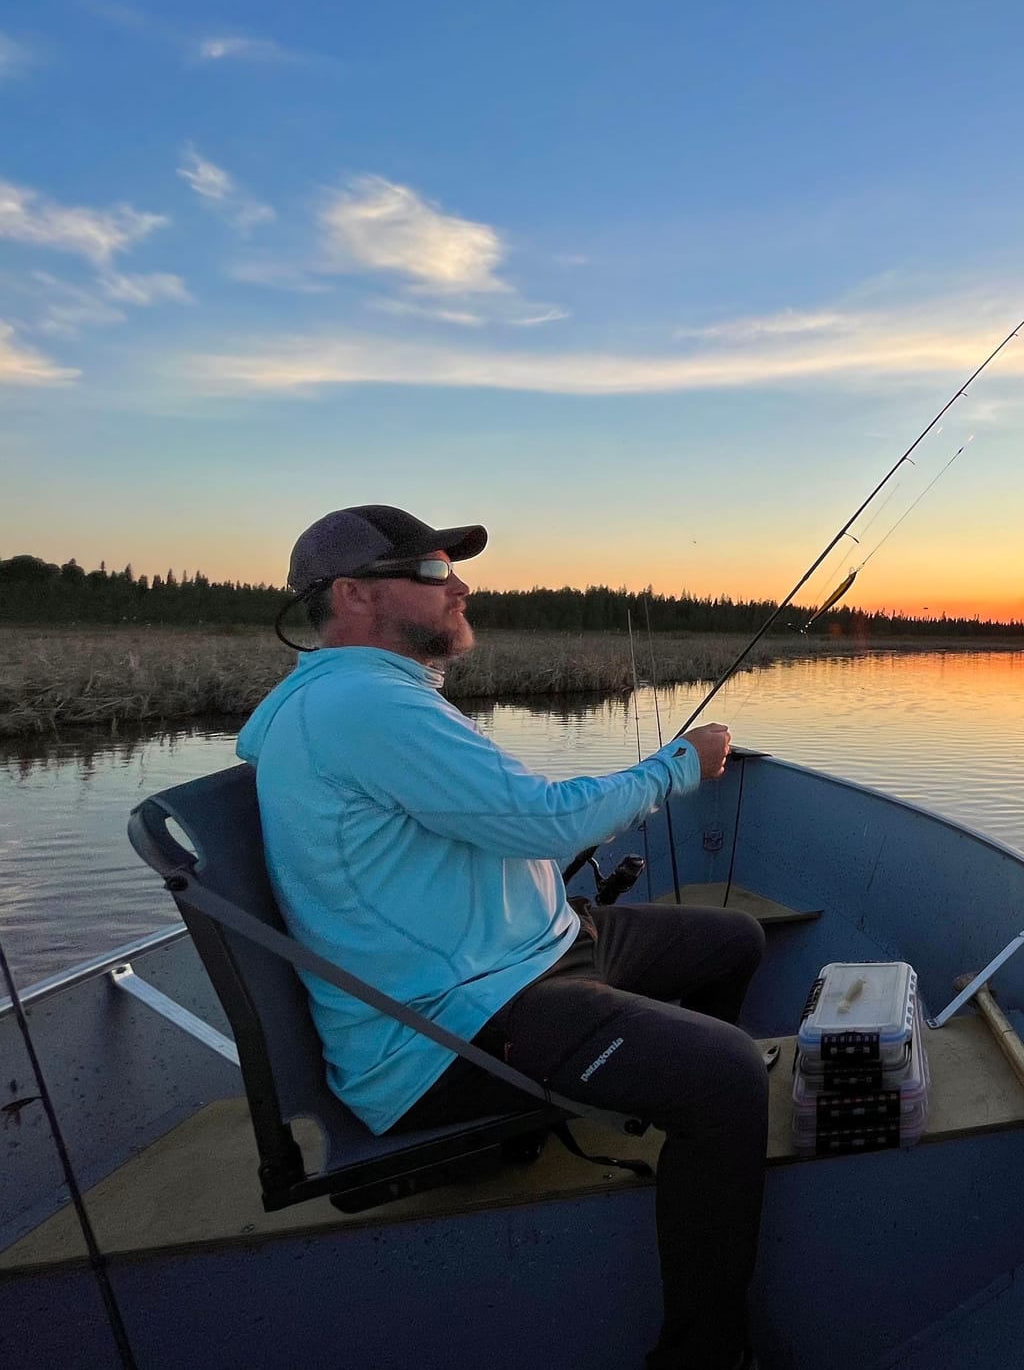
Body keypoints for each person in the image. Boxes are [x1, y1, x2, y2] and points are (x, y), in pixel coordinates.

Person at [236, 504, 767, 1370]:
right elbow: (543, 824)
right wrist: (679, 766)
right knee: (727, 1075)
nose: (463, 587)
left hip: (529, 954)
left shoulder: (370, 696)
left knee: (732, 941)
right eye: (436, 573)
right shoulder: (361, 704)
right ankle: (704, 1353)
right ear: (355, 594)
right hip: (447, 1029)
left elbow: (493, 826)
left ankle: (652, 1115)